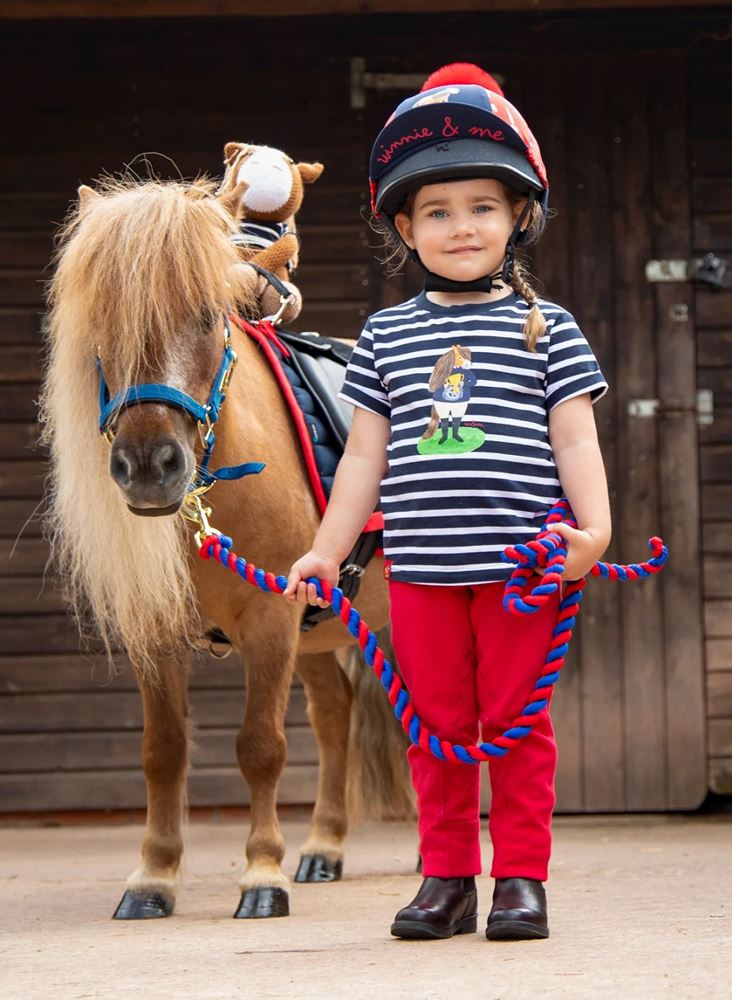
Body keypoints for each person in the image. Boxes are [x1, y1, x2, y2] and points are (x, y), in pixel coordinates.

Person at [283, 62, 611, 942]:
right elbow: (363, 455)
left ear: (517, 218)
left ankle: (520, 879)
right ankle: (447, 876)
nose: (460, 226)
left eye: (481, 207)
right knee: (434, 728)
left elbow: (575, 438)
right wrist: (326, 549)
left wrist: (595, 528)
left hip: (520, 570)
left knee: (516, 724)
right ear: (404, 225)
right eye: (436, 210)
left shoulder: (550, 329)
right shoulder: (388, 336)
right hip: (421, 570)